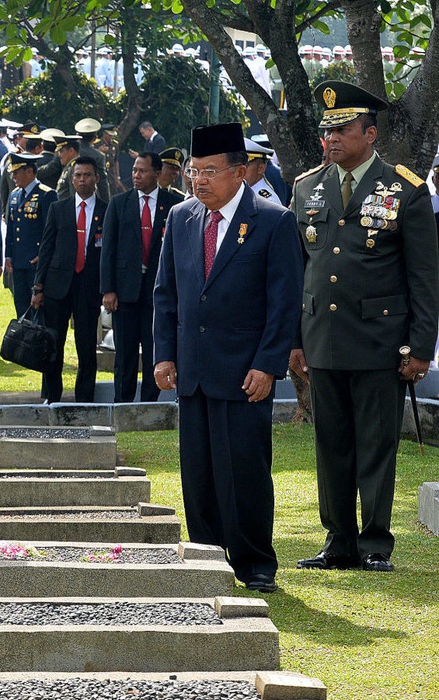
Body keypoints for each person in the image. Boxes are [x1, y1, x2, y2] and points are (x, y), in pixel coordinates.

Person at [291, 82, 439, 573]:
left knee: (376, 444)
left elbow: (424, 277)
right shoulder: (307, 187)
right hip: (323, 337)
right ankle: (338, 541)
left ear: (370, 134)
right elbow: (299, 270)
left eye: (342, 130)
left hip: (380, 340)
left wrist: (420, 347)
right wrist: (295, 341)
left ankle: (374, 542)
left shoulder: (405, 190)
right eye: (326, 131)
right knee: (330, 443)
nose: (331, 139)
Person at [153, 123, 303, 593]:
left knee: (244, 471)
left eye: (210, 171)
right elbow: (166, 293)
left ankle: (255, 562)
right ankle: (206, 557)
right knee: (198, 473)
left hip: (245, 371)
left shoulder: (273, 221)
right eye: (194, 171)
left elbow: (284, 303)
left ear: (239, 172)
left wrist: (268, 364)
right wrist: (164, 355)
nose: (199, 181)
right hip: (193, 369)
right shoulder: (181, 217)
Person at [100, 152, 182, 403]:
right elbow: (108, 249)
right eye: (134, 170)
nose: (136, 175)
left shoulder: (173, 204)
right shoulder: (119, 203)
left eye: (142, 171)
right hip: (125, 291)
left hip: (158, 292)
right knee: (124, 354)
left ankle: (149, 405)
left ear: (157, 173)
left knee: (154, 352)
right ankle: (122, 405)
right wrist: (108, 289)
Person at [31, 156, 105, 403]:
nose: (82, 180)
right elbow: (46, 248)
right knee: (53, 344)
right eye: (78, 175)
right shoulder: (58, 208)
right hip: (57, 286)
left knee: (86, 346)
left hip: (89, 286)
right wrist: (38, 287)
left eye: (87, 175)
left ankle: (84, 399)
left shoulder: (106, 210)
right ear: (72, 179)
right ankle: (52, 397)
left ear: (96, 178)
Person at [4, 153, 55, 319]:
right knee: (21, 305)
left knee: (38, 309)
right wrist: (8, 255)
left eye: (16, 172)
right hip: (18, 261)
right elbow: (11, 229)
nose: (13, 176)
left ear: (29, 171)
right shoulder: (14, 195)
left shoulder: (46, 194)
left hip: (36, 263)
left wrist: (43, 255)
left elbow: (51, 231)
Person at [243, 138, 281, 205]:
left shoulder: (267, 201)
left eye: (245, 165)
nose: (240, 170)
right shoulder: (246, 192)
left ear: (261, 168)